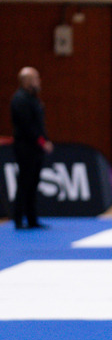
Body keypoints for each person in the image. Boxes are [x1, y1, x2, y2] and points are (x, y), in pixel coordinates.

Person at [9, 67, 54, 230]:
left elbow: (39, 125)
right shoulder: (20, 99)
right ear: (27, 81)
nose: (39, 81)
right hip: (26, 148)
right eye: (36, 78)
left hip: (35, 149)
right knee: (25, 183)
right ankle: (18, 218)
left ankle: (32, 218)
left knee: (33, 184)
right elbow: (28, 127)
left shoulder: (33, 99)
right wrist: (42, 142)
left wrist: (44, 140)